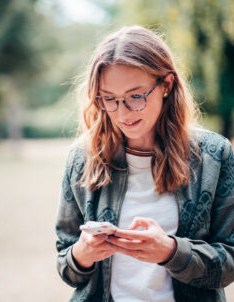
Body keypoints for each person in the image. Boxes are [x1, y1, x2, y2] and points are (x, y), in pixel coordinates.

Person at [55, 25, 234, 302]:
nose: (123, 112)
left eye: (136, 96)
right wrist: (83, 254)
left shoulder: (214, 155)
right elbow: (67, 267)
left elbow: (228, 265)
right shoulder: (82, 158)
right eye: (109, 99)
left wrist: (171, 252)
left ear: (167, 85)